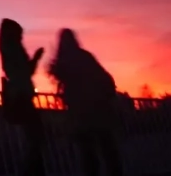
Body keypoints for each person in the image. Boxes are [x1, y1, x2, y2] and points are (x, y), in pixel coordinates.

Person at [48, 28, 123, 176]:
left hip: (79, 114)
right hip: (98, 109)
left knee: (88, 153)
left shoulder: (63, 63)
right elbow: (105, 78)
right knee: (108, 149)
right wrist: (108, 96)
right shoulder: (84, 57)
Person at [0, 19, 46, 176]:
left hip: (20, 95)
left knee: (34, 137)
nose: (21, 36)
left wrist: (35, 59)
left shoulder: (9, 48)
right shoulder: (13, 49)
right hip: (21, 96)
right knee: (35, 137)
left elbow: (25, 71)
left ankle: (33, 170)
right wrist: (35, 59)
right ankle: (33, 171)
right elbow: (25, 72)